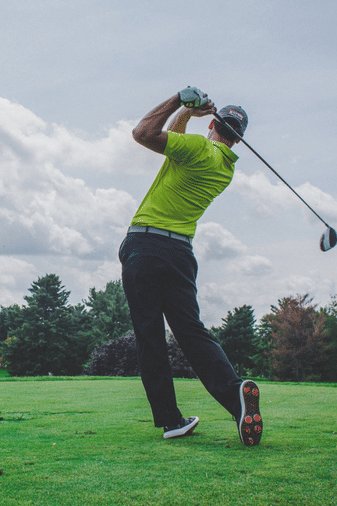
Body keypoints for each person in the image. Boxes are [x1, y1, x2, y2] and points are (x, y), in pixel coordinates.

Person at [118, 86, 263, 446]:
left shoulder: (199, 149)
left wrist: (177, 101)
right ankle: (235, 398)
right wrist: (189, 115)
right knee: (192, 333)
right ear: (239, 141)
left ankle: (170, 420)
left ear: (213, 125)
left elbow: (144, 134)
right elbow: (176, 140)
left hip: (146, 247)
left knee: (150, 336)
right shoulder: (223, 166)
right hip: (180, 254)